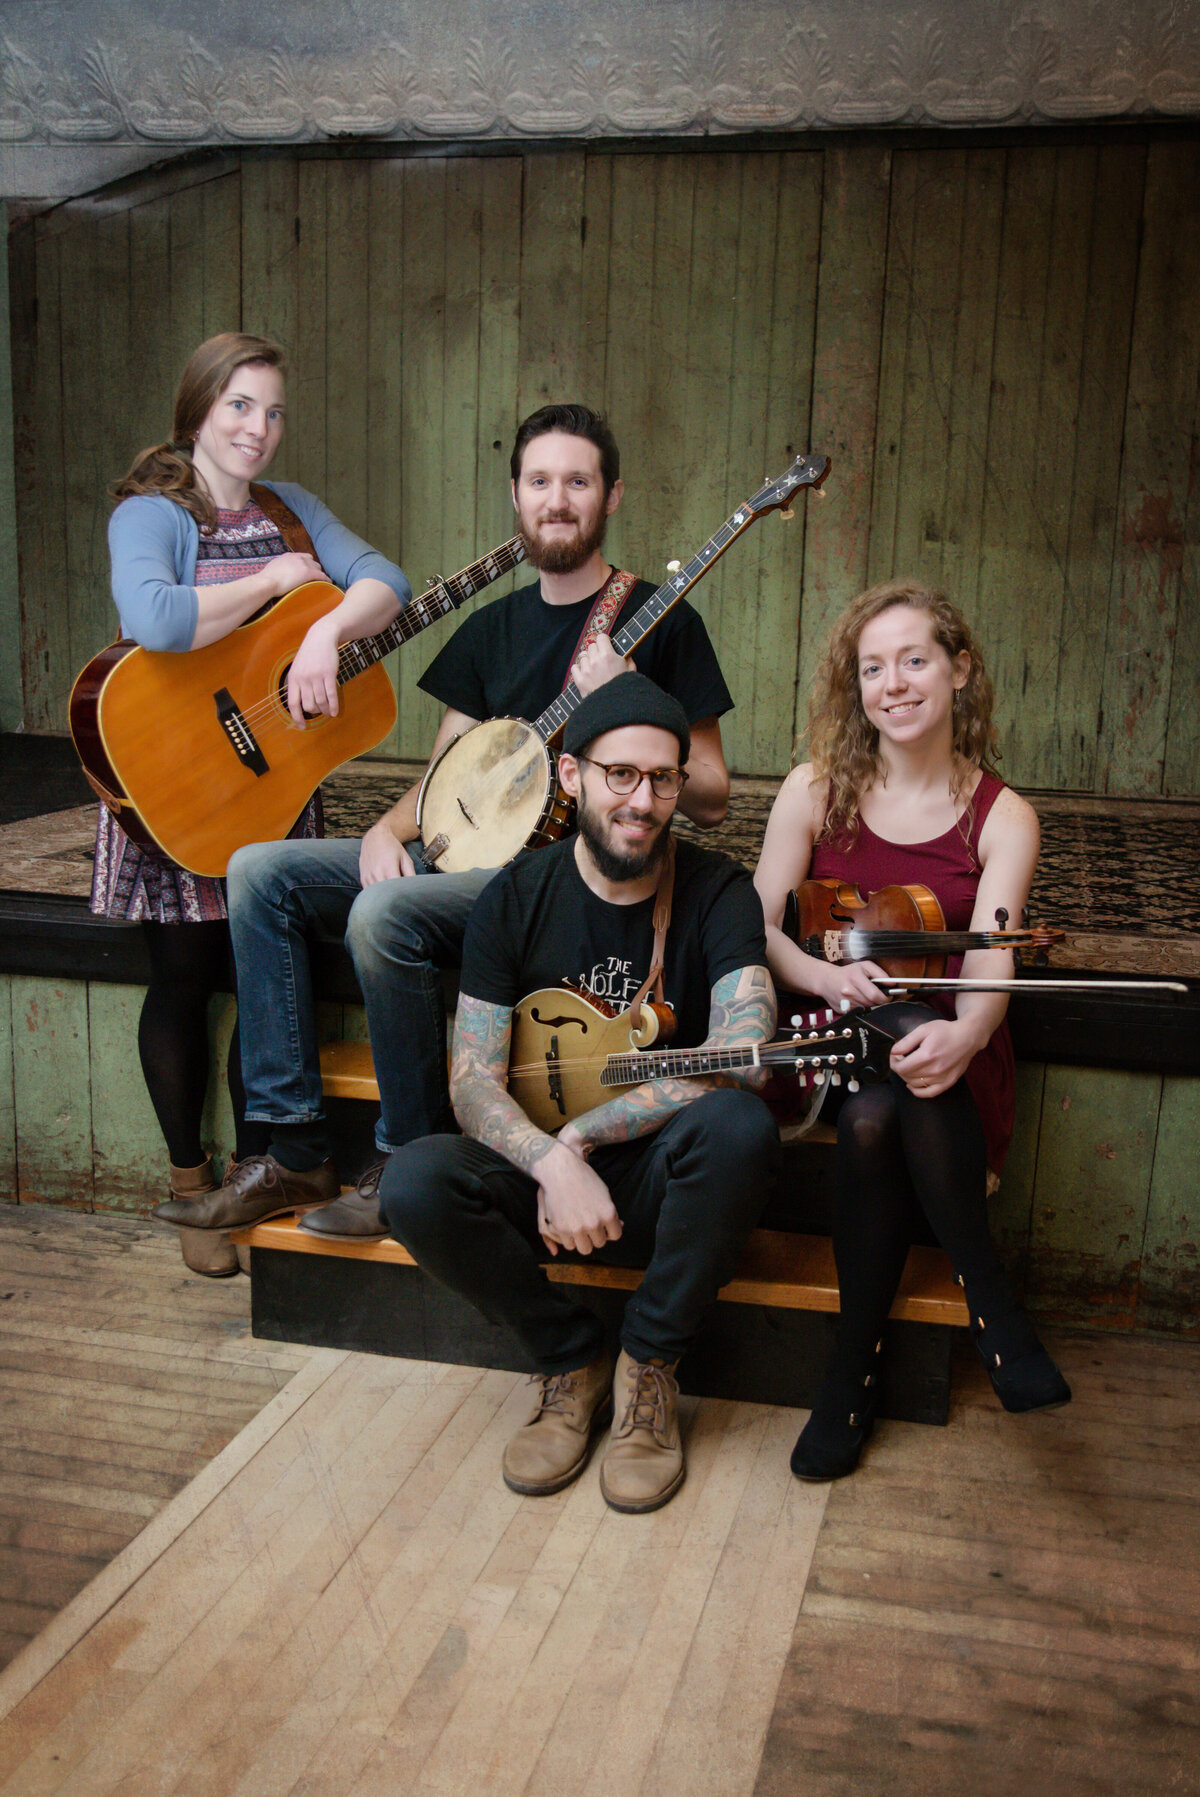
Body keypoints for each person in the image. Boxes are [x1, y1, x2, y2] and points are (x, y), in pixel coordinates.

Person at [175, 403, 735, 1242]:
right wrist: (383, 832)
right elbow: (445, 783)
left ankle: (406, 1157)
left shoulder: (661, 622)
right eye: (540, 481)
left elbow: (717, 793)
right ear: (516, 494)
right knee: (260, 869)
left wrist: (621, 694)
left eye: (577, 481)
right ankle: (294, 1145)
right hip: (467, 856)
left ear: (611, 496)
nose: (557, 499)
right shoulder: (491, 629)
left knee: (382, 912)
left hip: (549, 883)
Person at [380, 674, 779, 1513]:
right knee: (412, 1182)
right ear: (573, 776)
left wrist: (586, 1137)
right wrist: (549, 1162)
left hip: (661, 1171)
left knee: (741, 1125)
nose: (642, 799)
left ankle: (648, 1368)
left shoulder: (718, 892)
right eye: (620, 774)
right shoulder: (514, 898)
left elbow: (743, 1050)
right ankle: (568, 1360)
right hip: (546, 1181)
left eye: (663, 777)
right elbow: (471, 1081)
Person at [98, 331, 409, 1275]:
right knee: (186, 980)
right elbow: (153, 617)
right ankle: (191, 1186)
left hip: (268, 784)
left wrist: (326, 638)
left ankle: (251, 1171)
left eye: (273, 411)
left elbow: (386, 583)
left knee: (261, 985)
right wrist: (276, 582)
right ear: (197, 408)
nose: (258, 428)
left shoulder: (292, 509)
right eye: (240, 405)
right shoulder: (153, 512)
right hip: (178, 779)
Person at [753, 579, 1070, 1482]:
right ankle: (991, 1299)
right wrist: (823, 974)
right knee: (869, 1070)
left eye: (915, 660)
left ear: (960, 671)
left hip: (952, 1049)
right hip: (828, 1022)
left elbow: (993, 957)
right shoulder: (814, 789)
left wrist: (969, 1036)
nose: (893, 683)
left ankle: (849, 1374)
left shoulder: (1003, 816)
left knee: (874, 1117)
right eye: (873, 667)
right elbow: (763, 924)